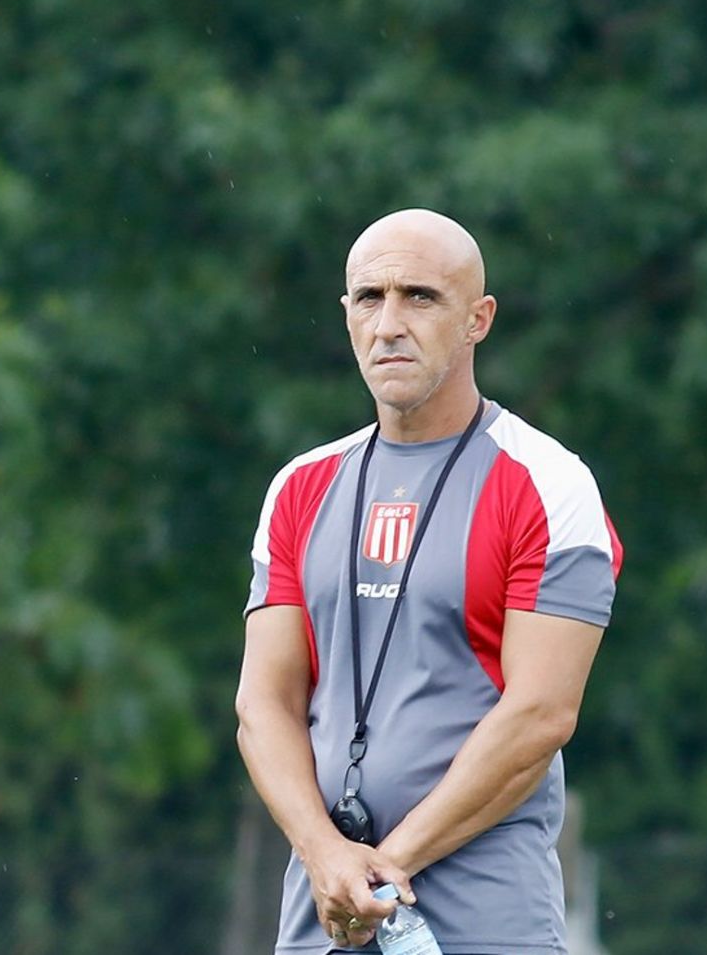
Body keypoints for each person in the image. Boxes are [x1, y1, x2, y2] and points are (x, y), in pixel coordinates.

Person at [236, 208, 622, 954]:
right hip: (326, 914)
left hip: (482, 920)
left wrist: (389, 865)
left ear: (478, 318)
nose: (389, 323)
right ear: (345, 314)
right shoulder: (299, 486)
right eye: (369, 298)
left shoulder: (549, 481)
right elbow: (263, 703)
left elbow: (541, 712)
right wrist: (325, 853)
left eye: (420, 296)